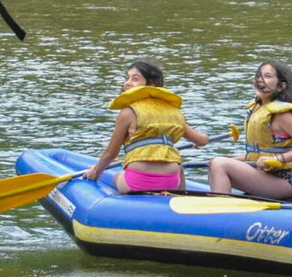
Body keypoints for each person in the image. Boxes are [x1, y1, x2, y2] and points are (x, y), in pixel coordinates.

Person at [83, 61, 210, 193]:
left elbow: (111, 153)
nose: (127, 83)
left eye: (135, 79)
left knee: (117, 176)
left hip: (137, 182)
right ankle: (180, 197)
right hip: (171, 181)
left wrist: (95, 171)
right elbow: (201, 140)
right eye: (127, 78)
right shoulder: (173, 112)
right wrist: (203, 139)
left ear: (151, 85)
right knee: (179, 165)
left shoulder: (128, 112)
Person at [208, 60, 292, 200]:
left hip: (283, 182)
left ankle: (220, 210)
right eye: (258, 76)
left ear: (281, 86)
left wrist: (279, 159)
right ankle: (220, 203)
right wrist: (232, 161)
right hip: (261, 175)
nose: (260, 80)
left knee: (220, 164)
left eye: (267, 76)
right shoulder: (258, 109)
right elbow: (259, 154)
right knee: (215, 163)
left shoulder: (282, 115)